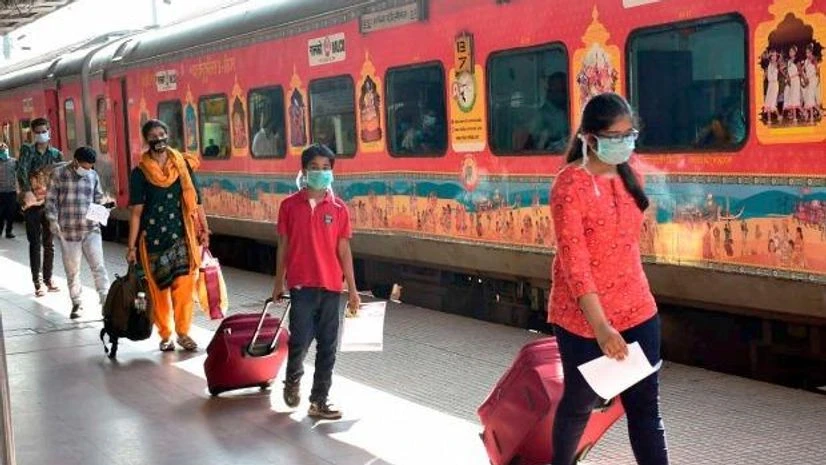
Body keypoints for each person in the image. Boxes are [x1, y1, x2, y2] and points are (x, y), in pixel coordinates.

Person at [548, 93, 668, 465]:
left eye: (630, 134)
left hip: (638, 309)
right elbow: (575, 263)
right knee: (580, 403)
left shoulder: (632, 174)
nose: (626, 143)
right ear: (590, 137)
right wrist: (601, 328)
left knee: (645, 409)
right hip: (584, 320)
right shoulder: (568, 186)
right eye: (617, 136)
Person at [271, 143, 360, 420]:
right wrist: (278, 282)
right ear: (304, 170)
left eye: (326, 169)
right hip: (301, 285)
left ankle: (319, 400)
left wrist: (353, 290)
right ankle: (293, 379)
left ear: (332, 172)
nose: (321, 173)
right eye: (315, 168)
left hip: (331, 286)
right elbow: (283, 246)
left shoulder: (339, 209)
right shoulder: (289, 207)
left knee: (328, 346)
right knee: (299, 340)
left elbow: (344, 250)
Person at [127, 119, 210, 352]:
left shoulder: (181, 165)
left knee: (184, 286)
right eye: (153, 136)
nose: (159, 139)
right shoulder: (140, 173)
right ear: (147, 140)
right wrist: (131, 246)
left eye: (162, 134)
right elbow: (136, 212)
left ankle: (184, 333)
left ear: (168, 136)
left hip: (182, 235)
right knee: (159, 290)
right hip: (153, 240)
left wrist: (204, 229)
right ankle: (165, 334)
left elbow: (197, 200)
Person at [45, 147, 110, 319]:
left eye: (90, 167)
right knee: (73, 271)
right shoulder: (58, 174)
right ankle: (77, 303)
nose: (87, 170)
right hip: (68, 231)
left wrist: (105, 206)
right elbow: (50, 200)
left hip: (91, 229)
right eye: (85, 166)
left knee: (99, 267)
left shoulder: (92, 175)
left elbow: (98, 198)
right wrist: (52, 220)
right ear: (75, 161)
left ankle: (106, 302)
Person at [16, 117, 63, 297]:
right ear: (33, 134)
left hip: (49, 204)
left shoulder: (56, 154)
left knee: (49, 243)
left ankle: (49, 278)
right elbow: (21, 170)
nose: (41, 135)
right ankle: (37, 282)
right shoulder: (28, 150)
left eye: (44, 131)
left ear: (49, 131)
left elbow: (61, 176)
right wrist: (27, 191)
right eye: (38, 132)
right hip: (32, 204)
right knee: (34, 242)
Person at [0, 142, 17, 238]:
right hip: (0, 192)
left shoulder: (14, 162)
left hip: (11, 191)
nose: (3, 151)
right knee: (0, 214)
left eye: (5, 149)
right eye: (1, 150)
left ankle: (9, 231)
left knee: (11, 213)